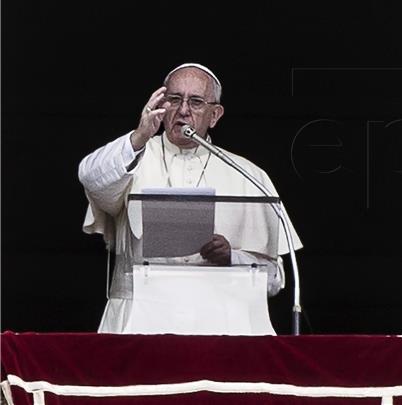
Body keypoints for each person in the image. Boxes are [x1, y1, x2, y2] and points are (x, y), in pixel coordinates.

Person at [78, 63, 301, 333]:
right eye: (174, 99)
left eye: (195, 102)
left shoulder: (249, 175)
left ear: (215, 115)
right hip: (142, 320)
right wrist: (139, 136)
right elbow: (91, 179)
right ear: (161, 104)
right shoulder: (133, 155)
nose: (183, 110)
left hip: (222, 326)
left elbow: (274, 280)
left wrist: (232, 257)